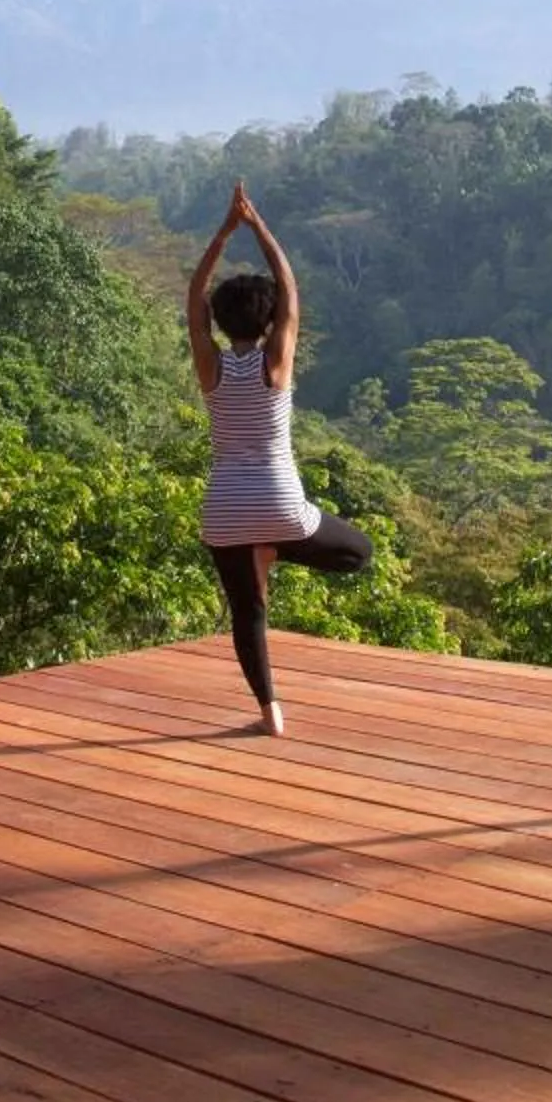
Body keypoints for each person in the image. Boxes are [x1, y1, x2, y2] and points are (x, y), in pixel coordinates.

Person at [187, 181, 372, 735]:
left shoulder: (212, 368)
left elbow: (194, 301)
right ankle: (275, 547)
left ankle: (270, 715)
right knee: (359, 553)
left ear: (221, 324)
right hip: (279, 503)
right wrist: (258, 226)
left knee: (248, 612)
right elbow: (289, 289)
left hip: (224, 511)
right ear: (269, 324)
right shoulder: (275, 366)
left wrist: (223, 234)